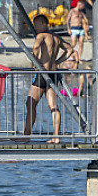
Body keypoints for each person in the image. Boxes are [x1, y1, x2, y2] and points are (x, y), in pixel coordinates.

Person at [27, 14, 63, 142]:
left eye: (36, 24)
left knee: (30, 103)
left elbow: (36, 47)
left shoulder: (41, 35)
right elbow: (70, 50)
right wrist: (58, 61)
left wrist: (34, 62)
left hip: (43, 72)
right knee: (53, 106)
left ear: (43, 24)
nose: (35, 27)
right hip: (53, 73)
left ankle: (26, 136)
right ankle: (56, 136)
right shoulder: (56, 37)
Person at [66, 0, 90, 69]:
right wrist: (68, 28)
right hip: (74, 28)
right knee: (73, 43)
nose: (83, 7)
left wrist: (86, 25)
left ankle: (79, 58)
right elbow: (67, 20)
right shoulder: (72, 11)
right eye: (83, 6)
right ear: (79, 5)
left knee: (81, 44)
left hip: (80, 29)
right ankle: (68, 54)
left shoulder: (81, 13)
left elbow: (85, 20)